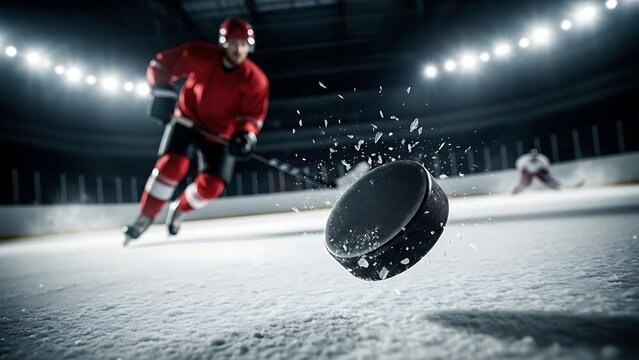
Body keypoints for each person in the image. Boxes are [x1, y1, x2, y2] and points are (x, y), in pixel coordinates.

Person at [123, 17, 269, 246]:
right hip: (186, 122)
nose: (238, 49)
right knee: (171, 166)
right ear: (223, 43)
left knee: (212, 186)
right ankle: (145, 217)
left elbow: (252, 117)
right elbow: (160, 65)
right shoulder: (199, 54)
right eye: (233, 42)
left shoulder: (256, 80)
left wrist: (246, 135)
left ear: (250, 46)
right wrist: (161, 90)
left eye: (243, 44)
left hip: (221, 135)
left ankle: (178, 209)